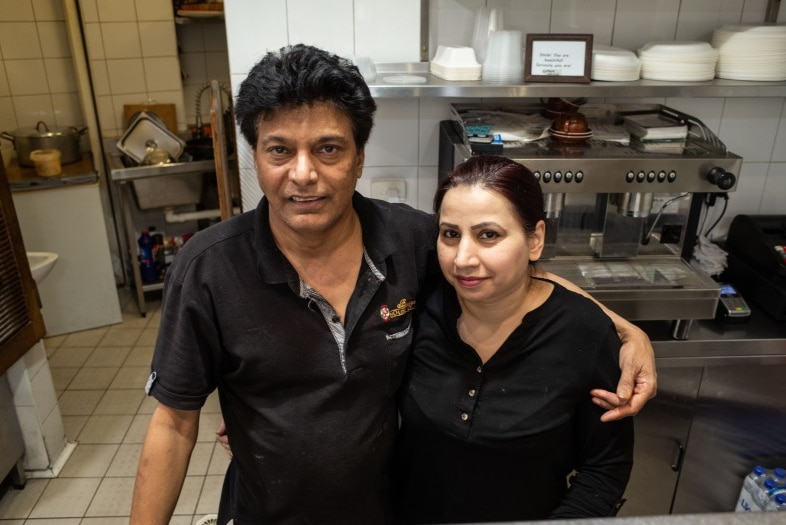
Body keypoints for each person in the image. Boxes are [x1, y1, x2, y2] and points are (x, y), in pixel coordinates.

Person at [130, 44, 653, 525]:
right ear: (256, 159)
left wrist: (627, 332)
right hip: (265, 511)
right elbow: (173, 426)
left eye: (329, 149)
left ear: (359, 160)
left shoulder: (408, 239)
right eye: (280, 150)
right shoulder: (209, 268)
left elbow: (505, 274)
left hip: (387, 511)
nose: (304, 173)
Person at [393, 155, 634, 523]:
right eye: (450, 234)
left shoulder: (583, 332)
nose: (463, 259)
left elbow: (606, 466)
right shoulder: (419, 305)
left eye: (488, 235)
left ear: (535, 239)